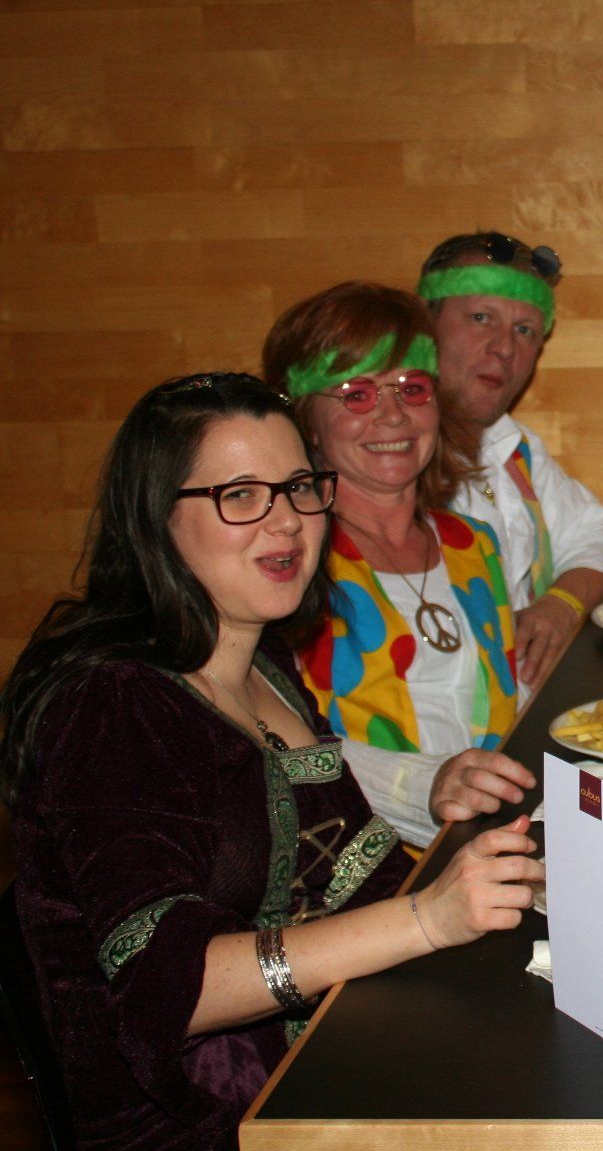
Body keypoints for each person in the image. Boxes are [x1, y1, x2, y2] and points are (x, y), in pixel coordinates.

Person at [0, 373, 543, 1150]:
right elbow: (174, 990)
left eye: (297, 488)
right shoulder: (113, 707)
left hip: (324, 1071)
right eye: (241, 496)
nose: (286, 521)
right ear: (155, 517)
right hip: (202, 1129)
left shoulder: (266, 667)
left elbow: (358, 880)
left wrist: (524, 887)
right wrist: (429, 918)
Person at [263, 282, 537, 849]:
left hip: (495, 849)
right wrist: (423, 785)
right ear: (308, 421)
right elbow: (271, 742)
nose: (393, 415)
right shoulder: (289, 562)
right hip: (360, 872)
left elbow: (505, 703)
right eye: (357, 394)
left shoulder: (474, 544)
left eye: (412, 388)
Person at [417, 231, 603, 688]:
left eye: (524, 330)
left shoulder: (515, 448)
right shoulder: (388, 461)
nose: (504, 348)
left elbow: (598, 536)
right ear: (423, 327)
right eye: (480, 318)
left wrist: (560, 606)